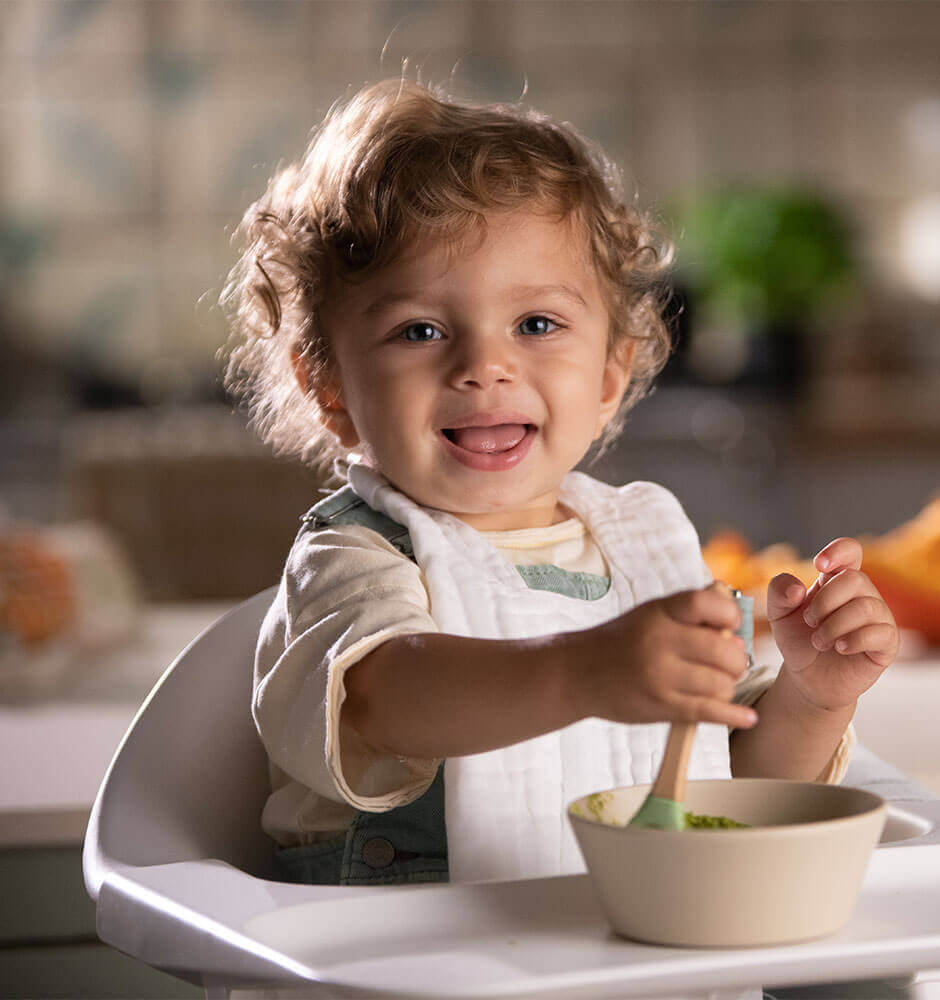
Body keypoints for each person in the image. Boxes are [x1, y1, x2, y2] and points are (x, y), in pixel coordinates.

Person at [220, 78, 899, 892]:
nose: (484, 366)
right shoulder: (352, 558)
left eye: (536, 324)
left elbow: (731, 780)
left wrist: (813, 697)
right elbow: (382, 700)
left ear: (612, 372)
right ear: (330, 388)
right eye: (420, 330)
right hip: (404, 968)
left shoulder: (647, 550)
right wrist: (587, 671)